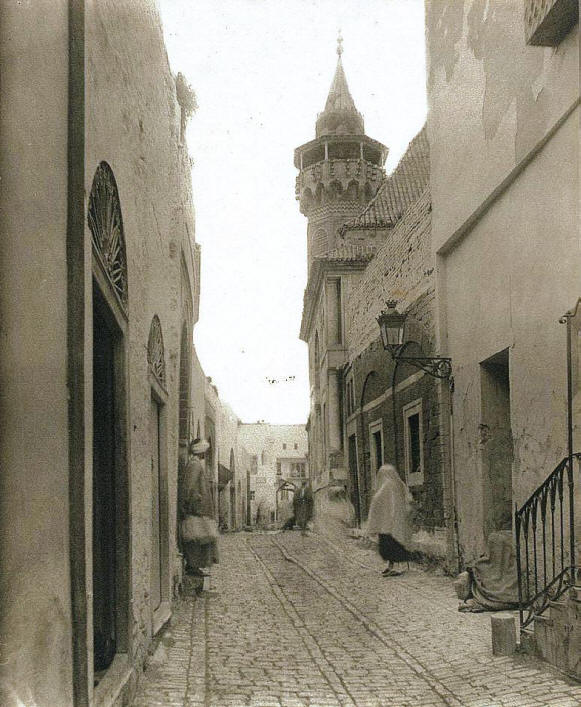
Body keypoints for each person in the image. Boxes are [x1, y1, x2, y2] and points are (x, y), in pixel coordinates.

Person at [179, 438, 219, 577]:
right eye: (205, 451)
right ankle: (193, 565)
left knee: (199, 537)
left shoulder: (194, 464)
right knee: (195, 538)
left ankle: (195, 565)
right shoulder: (195, 465)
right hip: (196, 509)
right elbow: (188, 486)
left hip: (198, 508)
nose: (205, 454)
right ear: (201, 451)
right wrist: (189, 503)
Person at [366, 464, 413, 577]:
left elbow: (380, 499)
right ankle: (390, 566)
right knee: (391, 543)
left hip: (390, 521)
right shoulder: (397, 484)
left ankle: (394, 567)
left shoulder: (389, 485)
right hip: (391, 520)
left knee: (392, 544)